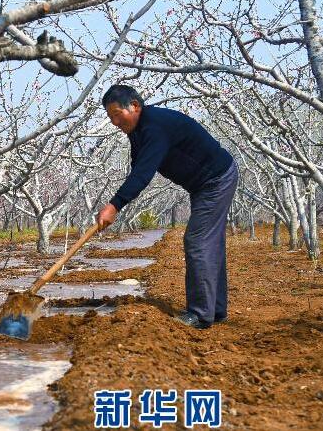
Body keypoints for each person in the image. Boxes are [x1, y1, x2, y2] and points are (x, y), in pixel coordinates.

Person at [95, 84, 238, 329]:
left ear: (135, 106)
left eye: (117, 114)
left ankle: (200, 314)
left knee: (198, 242)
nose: (115, 122)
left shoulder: (155, 128)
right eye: (110, 117)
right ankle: (215, 310)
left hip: (216, 180)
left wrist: (115, 205)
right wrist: (118, 202)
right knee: (209, 244)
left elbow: (143, 173)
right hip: (203, 184)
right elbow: (137, 165)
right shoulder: (138, 131)